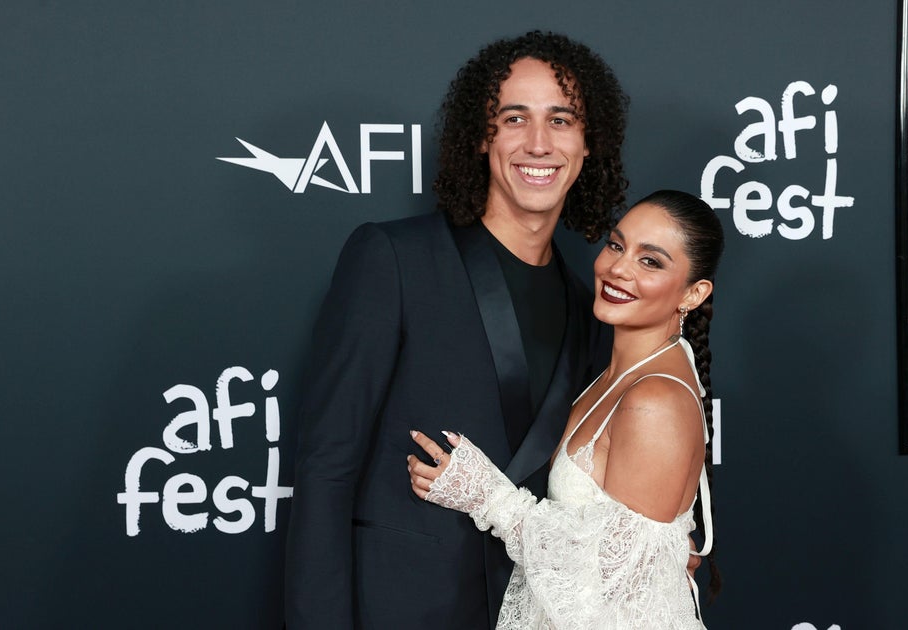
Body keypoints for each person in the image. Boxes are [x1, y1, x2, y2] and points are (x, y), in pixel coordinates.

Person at [284, 31, 628, 629]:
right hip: (402, 609)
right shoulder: (393, 258)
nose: (539, 143)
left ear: (588, 143)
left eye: (562, 119)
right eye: (514, 117)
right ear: (480, 134)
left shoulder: (592, 311)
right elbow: (325, 467)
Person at [408, 190, 724, 629]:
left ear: (693, 293)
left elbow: (609, 585)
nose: (618, 269)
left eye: (650, 261)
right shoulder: (615, 374)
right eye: (617, 245)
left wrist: (489, 497)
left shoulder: (655, 400)